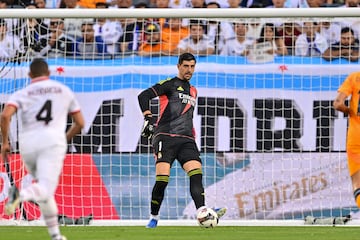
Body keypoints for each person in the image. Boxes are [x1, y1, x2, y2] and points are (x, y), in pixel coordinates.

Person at [137, 53, 226, 228]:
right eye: (185, 66)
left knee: (196, 174)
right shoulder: (169, 84)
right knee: (162, 179)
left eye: (192, 66)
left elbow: (186, 115)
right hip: (165, 136)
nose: (189, 70)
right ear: (178, 66)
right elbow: (143, 96)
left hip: (186, 139)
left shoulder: (193, 91)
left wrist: (191, 132)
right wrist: (148, 118)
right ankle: (154, 217)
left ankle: (203, 211)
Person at [1, 58, 85, 240]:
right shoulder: (63, 90)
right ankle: (19, 195)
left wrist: (5, 142)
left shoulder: (22, 92)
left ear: (29, 74)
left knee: (44, 191)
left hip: (28, 144)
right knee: (45, 188)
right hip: (51, 142)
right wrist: (64, 139)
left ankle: (55, 235)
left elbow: (5, 115)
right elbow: (80, 123)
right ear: (49, 73)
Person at [333, 72, 360, 215]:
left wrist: (350, 111)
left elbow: (337, 104)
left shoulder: (355, 77)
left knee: (358, 183)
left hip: (356, 138)